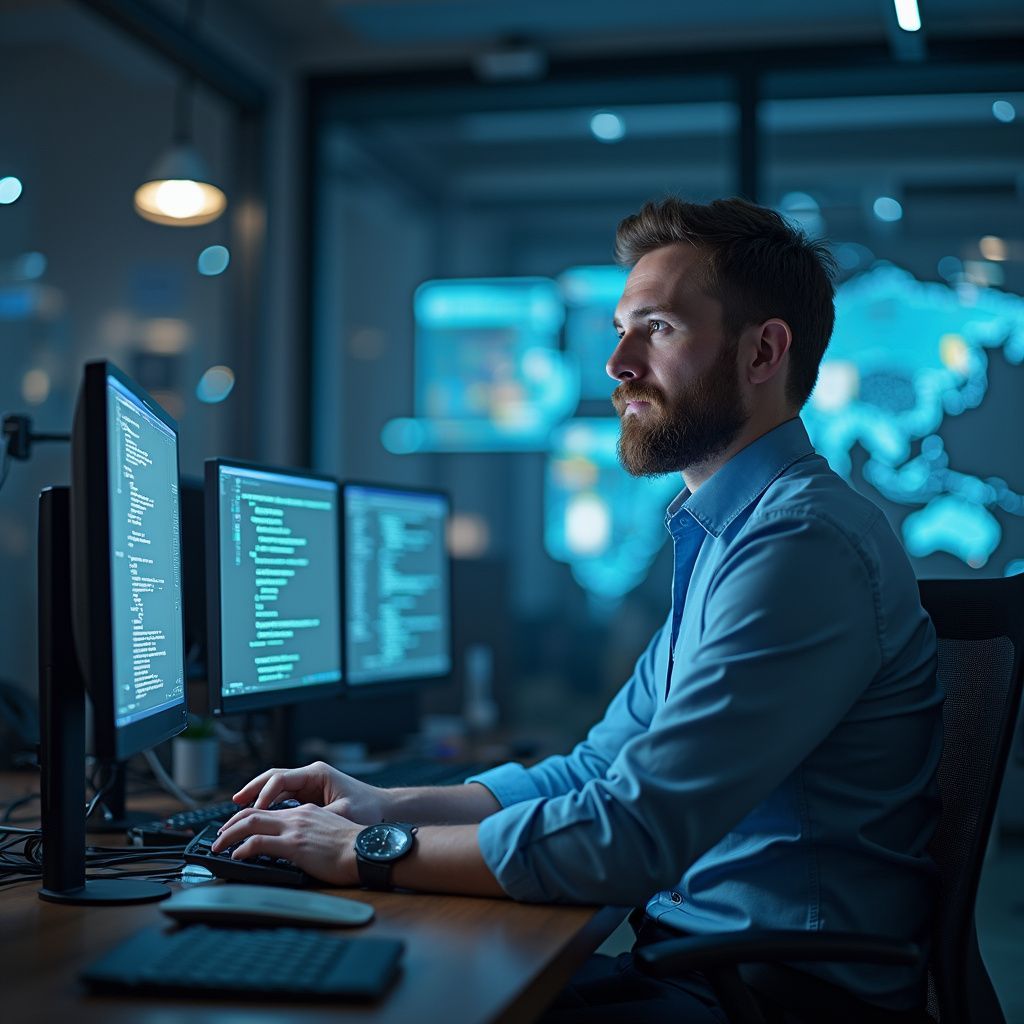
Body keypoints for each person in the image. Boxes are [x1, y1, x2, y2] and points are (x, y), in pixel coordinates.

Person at [213, 197, 941, 1023]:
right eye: (620, 329)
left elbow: (629, 836)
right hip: (707, 967)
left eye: (658, 328)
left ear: (764, 351)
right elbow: (597, 773)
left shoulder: (800, 544)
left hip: (774, 996)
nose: (618, 363)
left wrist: (369, 851)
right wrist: (385, 804)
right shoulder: (734, 532)